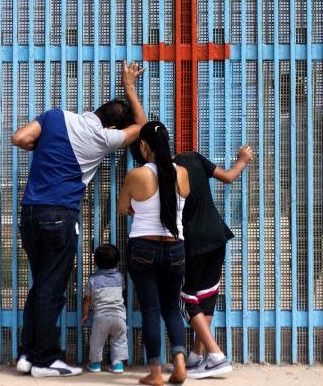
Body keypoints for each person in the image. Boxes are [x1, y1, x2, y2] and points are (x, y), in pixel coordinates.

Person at [11, 61, 147, 378]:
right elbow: (141, 127)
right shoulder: (104, 139)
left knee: (40, 285)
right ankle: (46, 359)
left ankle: (27, 354)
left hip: (29, 213)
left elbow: (19, 138)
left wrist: (42, 146)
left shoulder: (55, 116)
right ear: (113, 128)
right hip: (59, 215)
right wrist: (129, 85)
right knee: (52, 289)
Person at [118, 121, 191, 386]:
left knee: (150, 309)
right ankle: (180, 365)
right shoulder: (181, 173)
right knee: (172, 308)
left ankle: (156, 374)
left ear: (143, 145)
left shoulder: (136, 175)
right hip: (175, 247)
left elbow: (123, 207)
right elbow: (184, 201)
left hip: (143, 248)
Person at [178, 146, 253, 379]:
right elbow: (229, 177)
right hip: (216, 235)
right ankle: (196, 356)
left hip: (193, 241)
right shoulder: (193, 157)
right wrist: (242, 160)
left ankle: (216, 355)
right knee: (206, 295)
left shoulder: (162, 170)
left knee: (185, 298)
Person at [81, 244, 128, 374]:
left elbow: (87, 299)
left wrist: (85, 314)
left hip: (101, 317)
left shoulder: (93, 280)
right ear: (118, 262)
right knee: (119, 340)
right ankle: (117, 365)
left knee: (97, 341)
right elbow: (122, 294)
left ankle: (95, 364)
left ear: (95, 262)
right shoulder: (120, 277)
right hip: (119, 317)